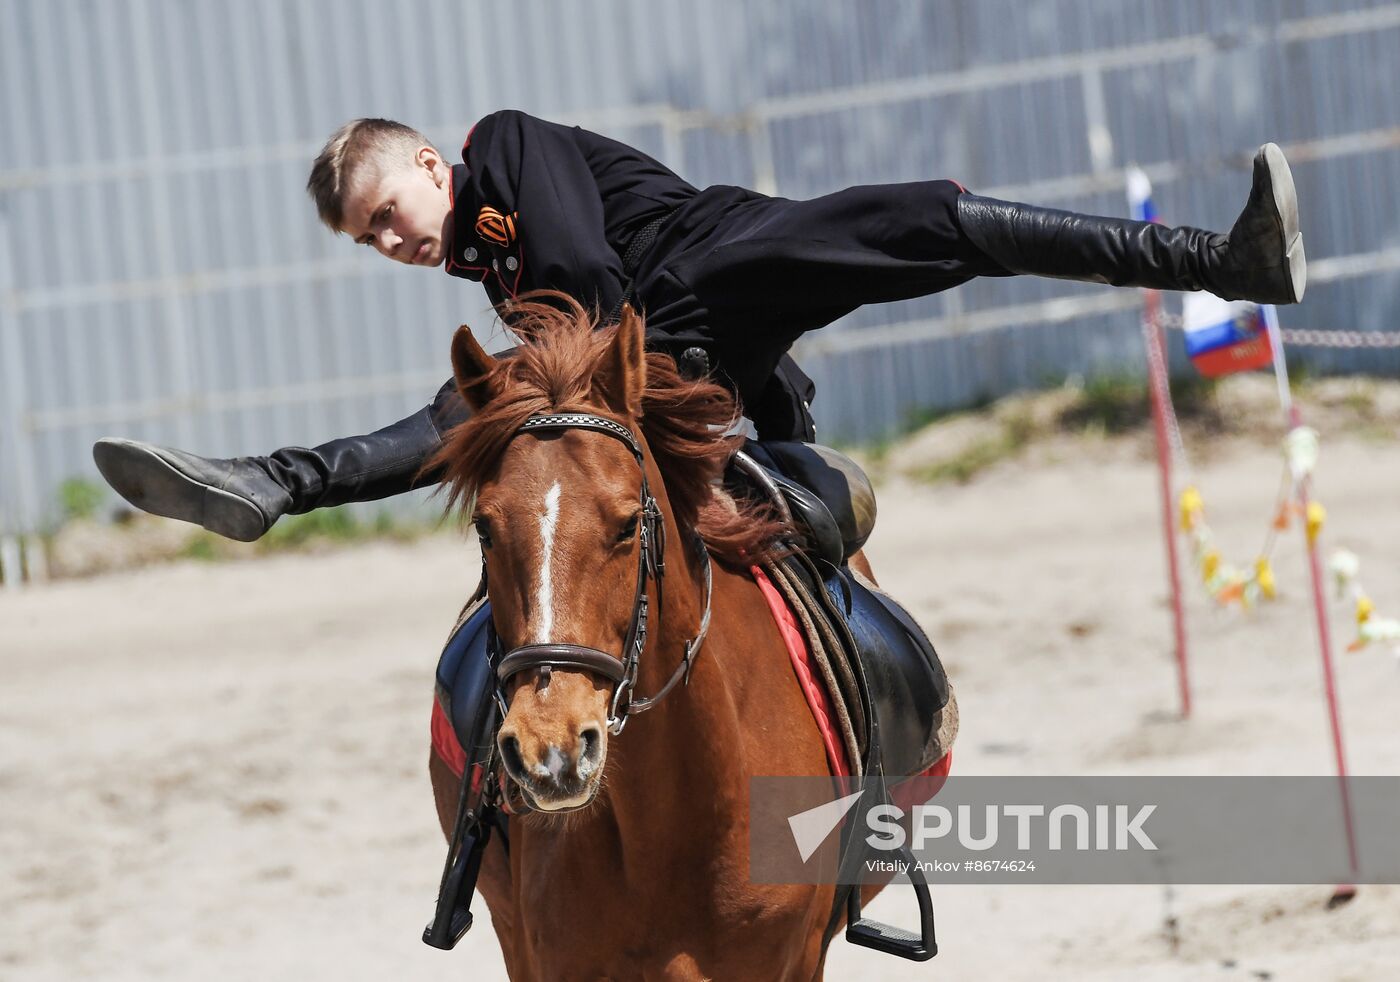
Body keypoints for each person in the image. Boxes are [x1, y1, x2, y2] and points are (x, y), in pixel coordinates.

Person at [93, 109, 1305, 541]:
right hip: (689, 351)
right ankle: (269, 487)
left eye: (384, 212)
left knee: (934, 217)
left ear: (422, 161)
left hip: (714, 261)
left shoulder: (499, 150)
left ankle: (1218, 259)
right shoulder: (488, 278)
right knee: (484, 417)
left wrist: (551, 376)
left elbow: (584, 274)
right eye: (369, 242)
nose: (390, 240)